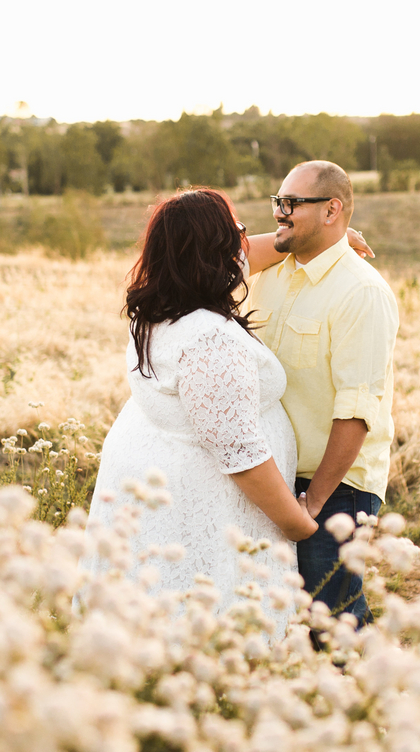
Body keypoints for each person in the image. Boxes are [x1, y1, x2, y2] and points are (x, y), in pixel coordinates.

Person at [86, 188, 317, 633]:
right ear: (216, 251)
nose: (246, 240)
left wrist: (328, 241)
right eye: (238, 232)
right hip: (210, 510)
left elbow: (255, 253)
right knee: (209, 624)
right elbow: (243, 458)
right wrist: (297, 525)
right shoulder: (210, 340)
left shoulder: (161, 305)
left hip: (163, 492)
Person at [248, 161, 399, 625]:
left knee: (330, 617)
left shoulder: (361, 292)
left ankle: (370, 694)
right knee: (276, 611)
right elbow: (203, 254)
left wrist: (313, 501)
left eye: (292, 203)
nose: (279, 212)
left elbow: (355, 410)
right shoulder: (272, 272)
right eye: (278, 201)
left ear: (332, 209)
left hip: (335, 486)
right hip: (274, 475)